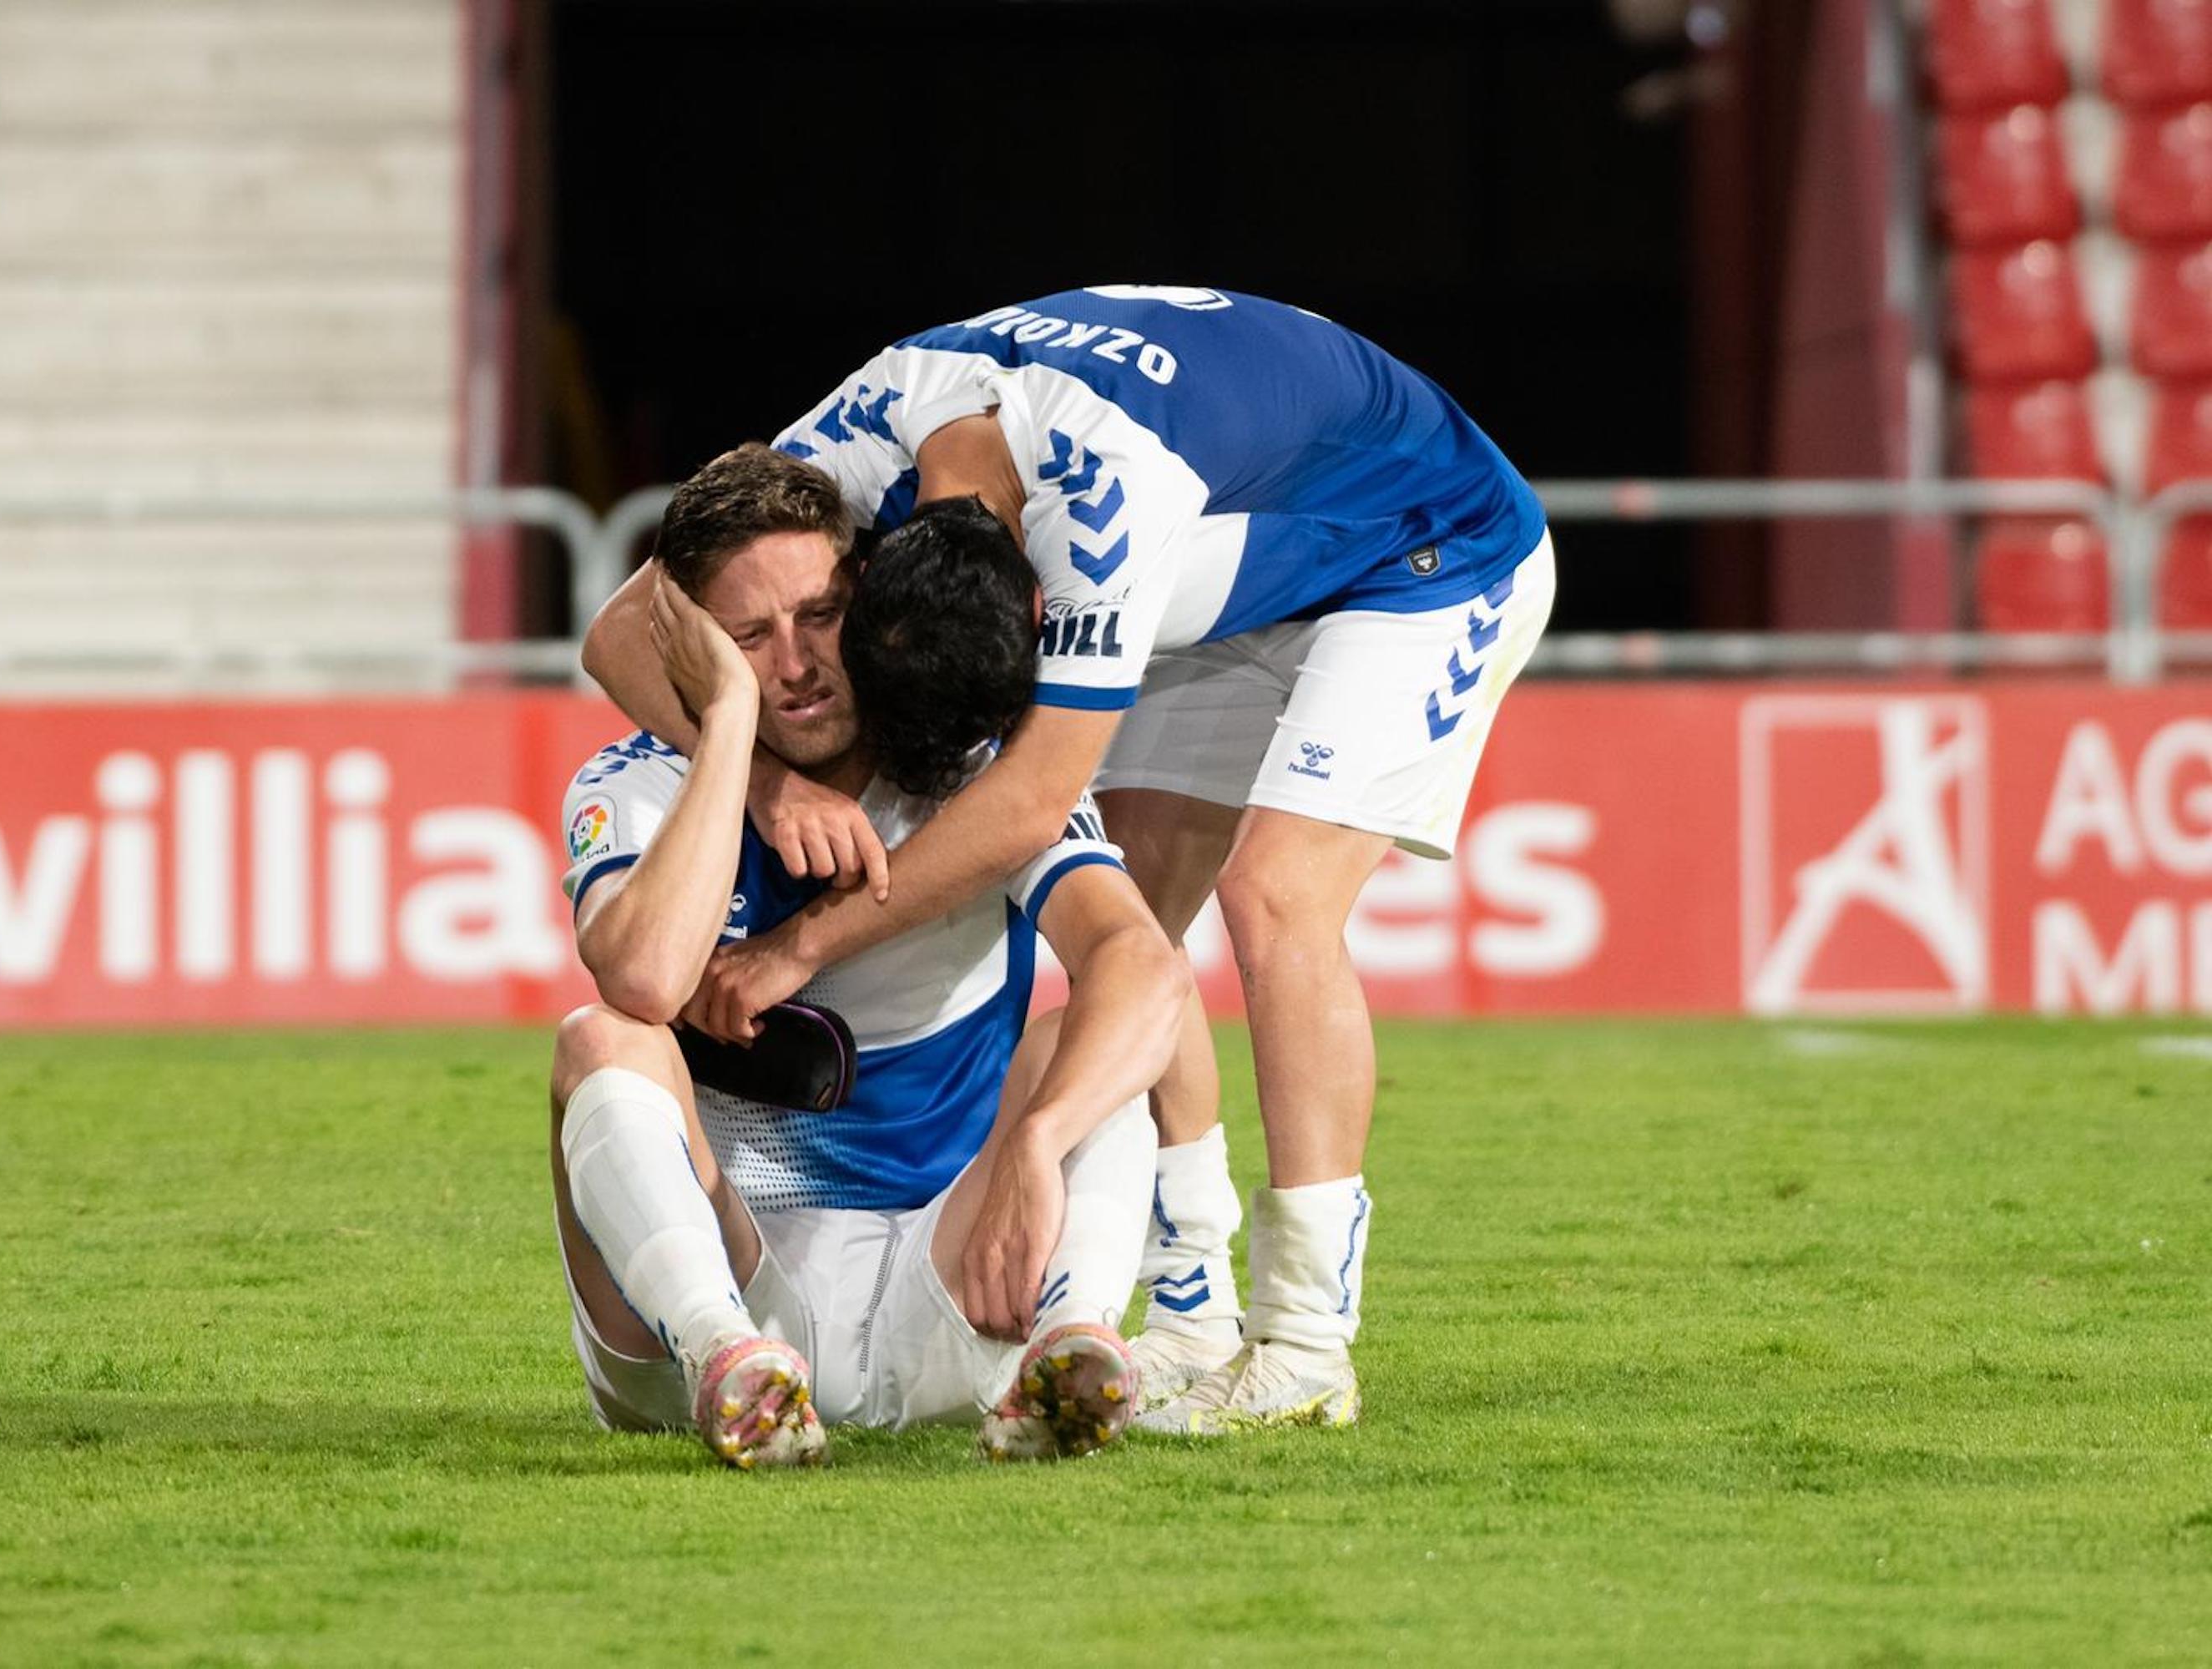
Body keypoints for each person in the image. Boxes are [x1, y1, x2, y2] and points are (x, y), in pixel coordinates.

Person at [583, 287, 1557, 1435]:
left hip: (1424, 553)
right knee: (1133, 923)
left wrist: (803, 944)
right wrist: (765, 776)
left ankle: (1304, 1342)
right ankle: (1191, 1307)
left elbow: (1029, 804)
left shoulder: (1102, 521)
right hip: (1251, 545)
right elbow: (618, 631)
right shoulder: (849, 452)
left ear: (1046, 606)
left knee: (1275, 897)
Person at [553, 443, 1188, 1468]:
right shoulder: (634, 780)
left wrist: (1038, 1142)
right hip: (712, 1289)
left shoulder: (974, 772)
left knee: (1093, 1038)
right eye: (748, 637)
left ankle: (1068, 1345)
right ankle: (731, 1364)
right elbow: (644, 982)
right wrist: (733, 741)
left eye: (819, 616)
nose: (796, 665)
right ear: (697, 647)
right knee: (600, 1039)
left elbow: (1147, 967)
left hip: (953, 1280)